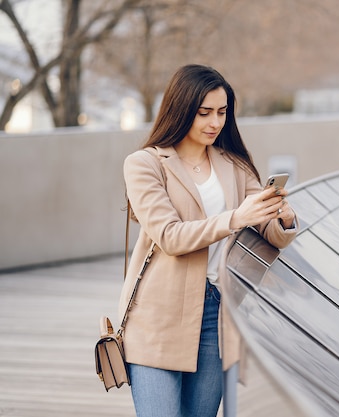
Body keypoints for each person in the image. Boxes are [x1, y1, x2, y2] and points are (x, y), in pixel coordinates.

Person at [119, 64, 298, 417]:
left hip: (217, 312)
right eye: (204, 113)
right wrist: (236, 218)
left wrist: (285, 218)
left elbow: (270, 235)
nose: (215, 122)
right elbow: (169, 236)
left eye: (222, 112)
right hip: (158, 314)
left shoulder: (233, 164)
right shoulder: (145, 164)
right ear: (181, 109)